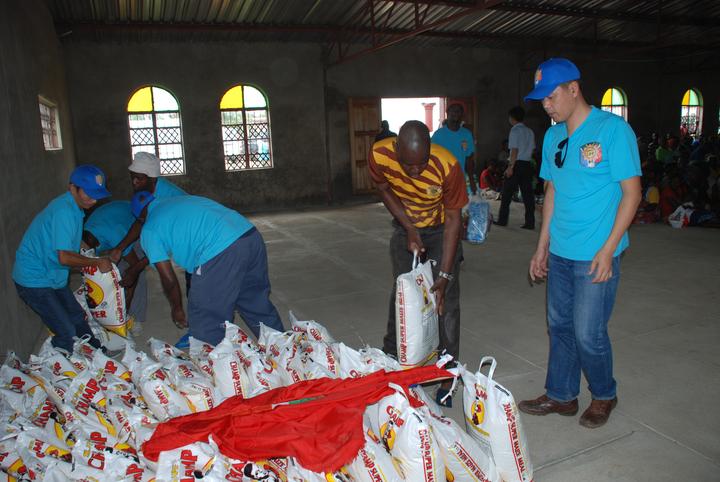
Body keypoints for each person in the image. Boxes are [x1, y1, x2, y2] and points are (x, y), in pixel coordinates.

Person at [520, 58, 642, 429]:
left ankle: (604, 394)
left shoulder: (613, 130)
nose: (546, 105)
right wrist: (542, 245)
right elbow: (552, 191)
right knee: (559, 327)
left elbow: (632, 194)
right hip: (560, 252)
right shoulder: (553, 137)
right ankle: (562, 395)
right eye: (542, 99)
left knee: (589, 333)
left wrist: (609, 249)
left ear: (574, 89)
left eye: (551, 96)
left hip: (595, 255)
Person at [368, 121, 467, 407]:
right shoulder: (379, 155)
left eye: (421, 164)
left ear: (430, 150)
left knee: (444, 300)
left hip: (440, 229)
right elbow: (383, 188)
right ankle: (391, 356)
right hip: (405, 226)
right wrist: (409, 227)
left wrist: (444, 274)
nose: (415, 172)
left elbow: (453, 220)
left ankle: (448, 372)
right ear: (396, 149)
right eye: (408, 165)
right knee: (403, 293)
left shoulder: (447, 166)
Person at [130, 192, 284, 345]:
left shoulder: (149, 229)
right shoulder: (180, 200)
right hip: (249, 235)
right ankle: (282, 349)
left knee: (206, 316)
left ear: (140, 218)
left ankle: (213, 358)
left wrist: (176, 308)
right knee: (253, 300)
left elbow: (168, 278)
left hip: (220, 250)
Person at [13, 165, 114, 354]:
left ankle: (95, 352)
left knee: (76, 316)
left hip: (53, 274)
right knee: (65, 330)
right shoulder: (64, 211)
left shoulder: (75, 208)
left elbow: (68, 240)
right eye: (89, 194)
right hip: (34, 279)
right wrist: (96, 262)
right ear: (72, 188)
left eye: (97, 195)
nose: (93, 200)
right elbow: (65, 257)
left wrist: (88, 251)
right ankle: (60, 364)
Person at [82, 200, 147, 335]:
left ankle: (135, 317)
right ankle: (120, 311)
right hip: (113, 220)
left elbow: (134, 268)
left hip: (134, 223)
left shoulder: (113, 235)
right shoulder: (86, 234)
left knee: (136, 272)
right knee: (114, 272)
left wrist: (127, 302)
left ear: (95, 245)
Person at [495, 106, 536, 229]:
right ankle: (530, 222)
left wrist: (510, 167)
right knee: (528, 195)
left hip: (516, 164)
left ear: (512, 118)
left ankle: (502, 220)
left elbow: (514, 150)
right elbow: (532, 149)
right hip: (527, 164)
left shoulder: (514, 130)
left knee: (506, 194)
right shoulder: (530, 131)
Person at [431, 103, 477, 195]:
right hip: (439, 180)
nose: (456, 112)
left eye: (459, 111)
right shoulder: (438, 135)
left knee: (457, 203)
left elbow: (469, 159)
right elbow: (431, 159)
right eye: (453, 110)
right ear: (447, 112)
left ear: (462, 115)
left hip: (458, 180)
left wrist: (472, 180)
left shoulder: (467, 134)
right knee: (437, 201)